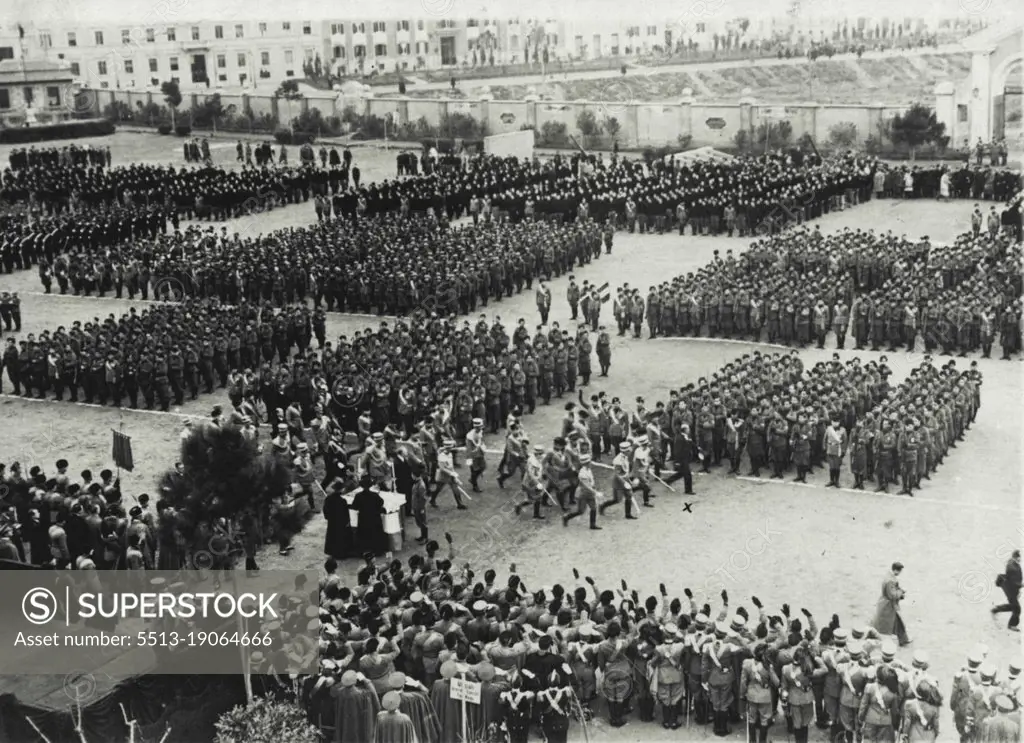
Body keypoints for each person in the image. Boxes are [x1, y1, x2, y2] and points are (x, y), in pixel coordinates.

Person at [872, 561, 911, 646]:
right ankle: (903, 640)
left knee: (897, 623)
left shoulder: (888, 576)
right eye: (900, 571)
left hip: (886, 604)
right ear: (896, 570)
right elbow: (892, 595)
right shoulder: (891, 580)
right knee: (884, 626)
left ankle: (903, 640)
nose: (900, 573)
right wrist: (901, 591)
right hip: (888, 607)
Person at [351, 475, 387, 557]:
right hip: (374, 517)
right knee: (375, 534)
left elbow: (354, 507)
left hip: (363, 518)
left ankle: (363, 550)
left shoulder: (358, 496)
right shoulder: (374, 495)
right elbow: (381, 502)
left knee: (363, 534)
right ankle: (377, 550)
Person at [992, 549, 1021, 632]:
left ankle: (996, 609)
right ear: (1014, 557)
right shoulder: (1011, 565)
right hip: (1010, 589)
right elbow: (1012, 579)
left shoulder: (1016, 565)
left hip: (1013, 590)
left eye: (1019, 557)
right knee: (1017, 608)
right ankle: (1011, 625)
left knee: (1014, 607)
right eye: (1017, 557)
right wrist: (1019, 585)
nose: (1019, 559)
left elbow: (1017, 579)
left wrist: (1018, 589)